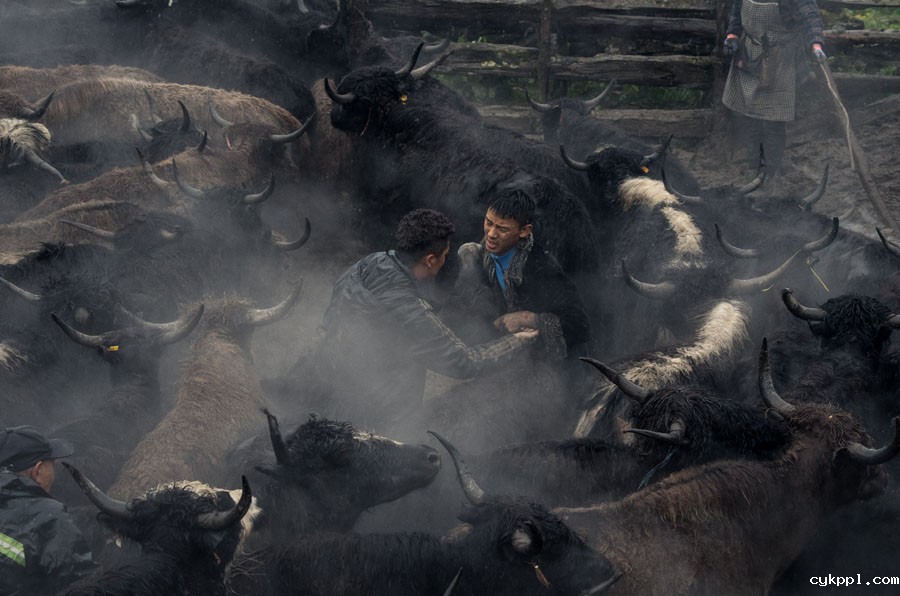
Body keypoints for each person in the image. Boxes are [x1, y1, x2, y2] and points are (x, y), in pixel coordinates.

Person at [307, 208, 538, 435]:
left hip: (328, 383)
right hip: (374, 420)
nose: (445, 260)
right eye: (445, 255)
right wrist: (516, 341)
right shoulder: (411, 315)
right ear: (430, 260)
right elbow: (464, 362)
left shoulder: (369, 263)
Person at [450, 189, 591, 363]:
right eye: (488, 222)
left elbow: (580, 325)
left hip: (554, 366)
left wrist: (530, 318)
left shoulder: (542, 267)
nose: (491, 234)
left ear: (524, 231)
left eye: (502, 229)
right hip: (511, 356)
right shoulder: (483, 253)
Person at [722, 0, 826, 185]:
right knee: (750, 117)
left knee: (773, 121)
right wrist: (732, 36)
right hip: (750, 55)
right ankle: (753, 168)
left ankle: (771, 172)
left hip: (781, 59)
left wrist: (816, 44)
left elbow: (811, 18)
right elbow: (737, 15)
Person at [0, 426, 95, 596]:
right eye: (51, 463)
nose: (54, 471)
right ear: (38, 471)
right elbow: (82, 585)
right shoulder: (48, 518)